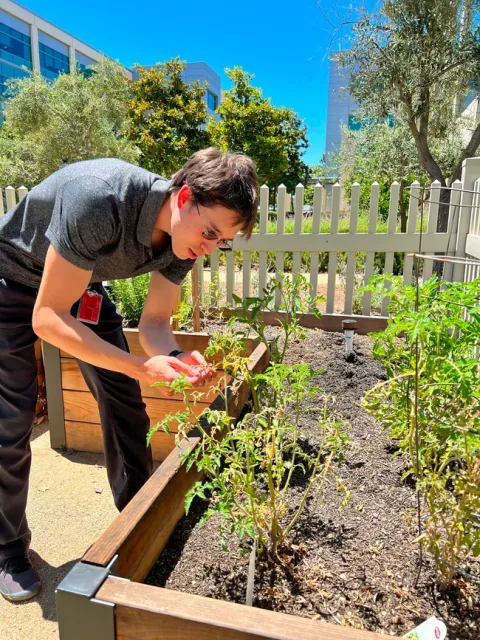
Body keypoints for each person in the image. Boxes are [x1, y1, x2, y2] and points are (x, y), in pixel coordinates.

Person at [0, 147, 259, 601]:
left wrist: (177, 357)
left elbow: (157, 324)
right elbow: (47, 318)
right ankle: (7, 549)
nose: (211, 246)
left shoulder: (184, 240)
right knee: (10, 420)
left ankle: (137, 515)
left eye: (223, 241)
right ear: (182, 198)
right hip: (12, 281)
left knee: (125, 401)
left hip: (76, 283)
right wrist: (141, 365)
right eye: (210, 232)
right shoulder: (98, 199)